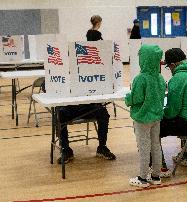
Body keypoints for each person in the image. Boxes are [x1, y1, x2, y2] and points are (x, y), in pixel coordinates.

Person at [57, 15, 116, 164]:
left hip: (89, 105)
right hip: (73, 107)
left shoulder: (96, 68)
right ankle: (66, 150)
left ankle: (102, 147)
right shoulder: (69, 70)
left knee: (104, 114)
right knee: (60, 114)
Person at [125, 44, 166, 188]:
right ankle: (156, 176)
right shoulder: (160, 78)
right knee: (156, 146)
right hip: (156, 117)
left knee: (143, 147)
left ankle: (142, 178)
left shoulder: (140, 79)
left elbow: (135, 98)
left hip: (142, 118)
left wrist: (127, 98)